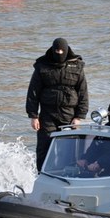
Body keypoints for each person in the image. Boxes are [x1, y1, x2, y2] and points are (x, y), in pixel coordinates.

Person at [26, 38, 88, 171]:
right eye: (56, 50)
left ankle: (66, 176)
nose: (59, 53)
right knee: (44, 147)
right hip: (47, 115)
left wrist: (79, 117)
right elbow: (33, 91)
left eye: (62, 51)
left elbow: (83, 93)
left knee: (69, 150)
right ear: (52, 50)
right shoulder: (42, 65)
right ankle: (42, 176)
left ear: (66, 51)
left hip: (69, 116)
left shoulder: (77, 66)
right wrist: (33, 116)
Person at [77, 100, 110, 176]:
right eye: (109, 113)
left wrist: (100, 163)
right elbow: (96, 145)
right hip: (101, 165)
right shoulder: (108, 128)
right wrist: (86, 159)